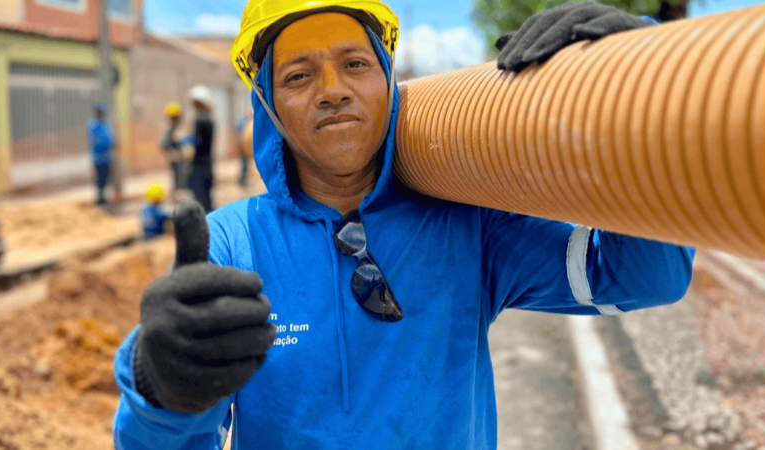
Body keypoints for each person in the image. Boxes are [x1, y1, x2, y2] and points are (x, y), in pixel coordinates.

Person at [114, 2, 693, 449]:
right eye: (297, 77)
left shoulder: (466, 224)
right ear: (267, 106)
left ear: (388, 80)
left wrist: (635, 83)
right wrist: (160, 388)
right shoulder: (234, 242)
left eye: (355, 64)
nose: (333, 89)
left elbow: (639, 277)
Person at [188, 85, 216, 213]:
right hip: (207, 164)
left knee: (201, 199)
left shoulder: (200, 119)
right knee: (207, 198)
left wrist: (186, 139)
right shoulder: (210, 118)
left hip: (199, 165)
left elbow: (197, 142)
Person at [86, 102, 115, 205]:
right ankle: (100, 198)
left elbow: (110, 137)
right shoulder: (93, 126)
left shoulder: (105, 123)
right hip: (98, 158)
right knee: (99, 179)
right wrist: (108, 143)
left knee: (106, 177)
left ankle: (104, 197)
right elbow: (97, 141)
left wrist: (113, 142)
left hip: (106, 157)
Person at [161, 103, 190, 197]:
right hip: (177, 160)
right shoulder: (172, 130)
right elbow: (164, 144)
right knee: (179, 181)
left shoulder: (179, 129)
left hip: (182, 160)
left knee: (182, 181)